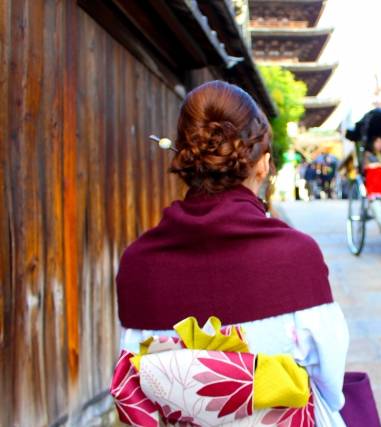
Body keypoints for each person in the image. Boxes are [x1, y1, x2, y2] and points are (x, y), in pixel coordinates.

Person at [116, 81, 349, 426]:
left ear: (187, 159)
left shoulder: (138, 263)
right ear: (262, 165)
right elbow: (330, 379)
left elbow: (135, 376)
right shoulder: (296, 257)